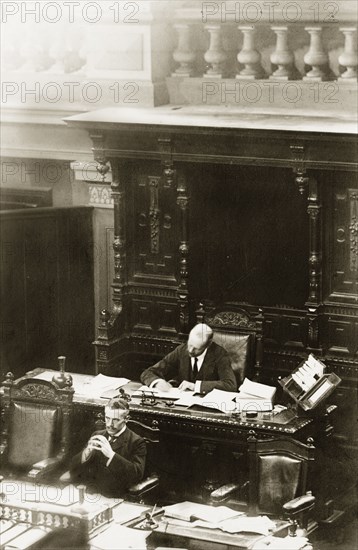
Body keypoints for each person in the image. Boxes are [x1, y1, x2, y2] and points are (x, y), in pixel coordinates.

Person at [69, 398, 146, 498]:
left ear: (126, 419)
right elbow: (73, 468)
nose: (109, 424)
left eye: (115, 420)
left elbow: (136, 475)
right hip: (89, 493)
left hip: (115, 496)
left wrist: (112, 455)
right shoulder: (97, 434)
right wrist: (85, 454)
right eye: (107, 418)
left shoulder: (136, 442)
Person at [140, 323, 236, 394]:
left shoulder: (220, 354)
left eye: (196, 348)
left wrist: (195, 386)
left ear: (208, 345)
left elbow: (230, 385)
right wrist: (157, 382)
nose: (190, 350)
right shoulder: (181, 350)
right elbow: (148, 373)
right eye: (190, 344)